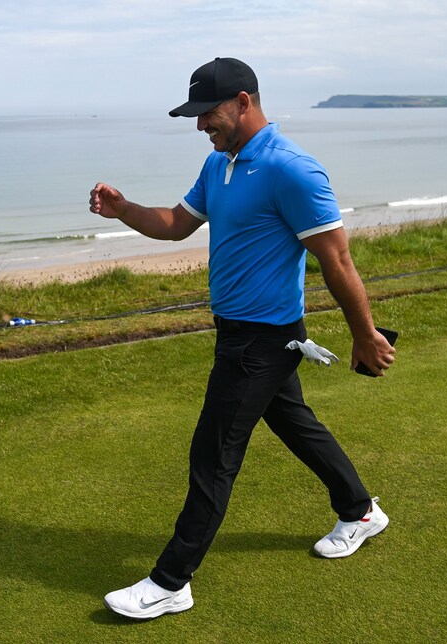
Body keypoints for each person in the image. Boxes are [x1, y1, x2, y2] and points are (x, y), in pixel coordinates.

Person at [89, 57, 397, 621]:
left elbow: (338, 259)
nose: (201, 125)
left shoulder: (292, 170)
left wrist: (365, 334)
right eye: (196, 115)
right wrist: (124, 208)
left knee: (213, 455)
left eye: (209, 113)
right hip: (235, 333)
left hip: (264, 342)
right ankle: (359, 511)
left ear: (244, 102)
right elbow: (176, 224)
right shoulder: (220, 164)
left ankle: (170, 581)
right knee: (295, 425)